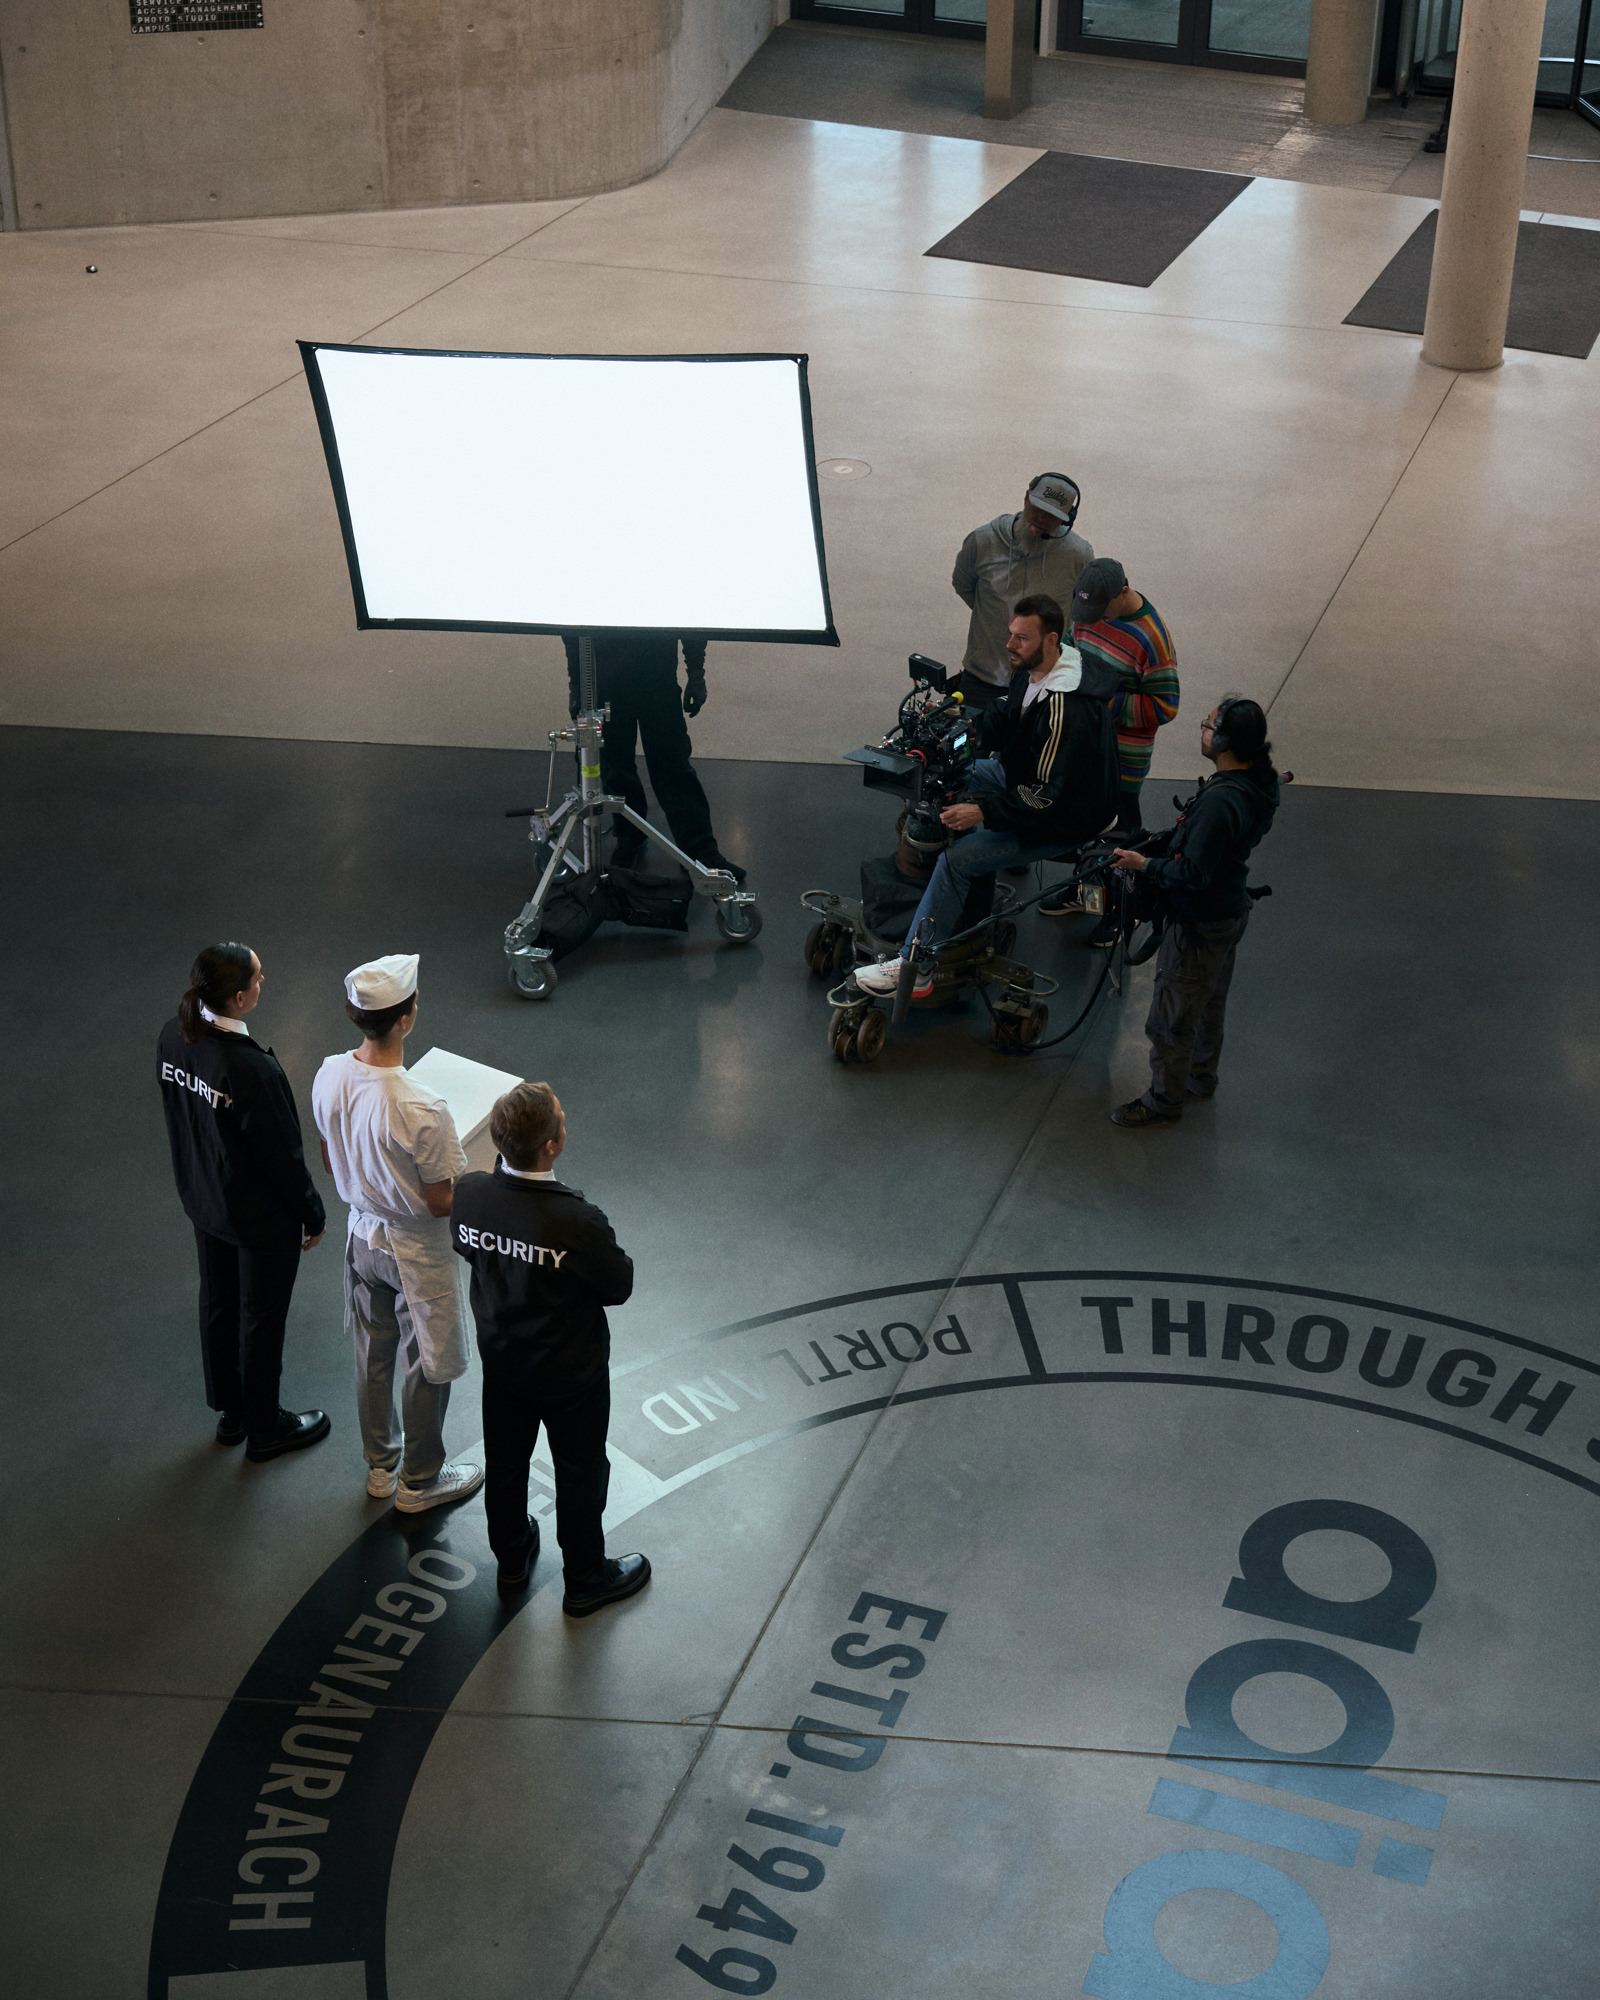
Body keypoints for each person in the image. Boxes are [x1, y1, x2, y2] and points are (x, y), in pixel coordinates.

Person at [854, 594, 1119, 1000]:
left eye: (1022, 639)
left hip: (1063, 818)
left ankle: (915, 967)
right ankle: (941, 907)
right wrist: (959, 737)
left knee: (956, 861)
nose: (1011, 645)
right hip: (1025, 783)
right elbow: (1006, 715)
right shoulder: (1035, 671)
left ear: (1050, 640)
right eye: (1010, 635)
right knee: (952, 776)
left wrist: (982, 809)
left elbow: (1046, 796)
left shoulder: (1066, 707)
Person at [452, 1082, 649, 1617]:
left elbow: (469, 1249)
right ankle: (585, 1578)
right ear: (552, 1146)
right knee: (580, 1471)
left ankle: (512, 1557)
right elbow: (618, 1286)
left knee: (507, 1462)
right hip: (570, 1374)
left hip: (504, 1364)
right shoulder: (576, 1222)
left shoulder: (469, 1194)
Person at [311, 954, 484, 1512]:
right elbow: (440, 1203)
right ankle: (421, 1481)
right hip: (415, 1251)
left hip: (361, 1239)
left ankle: (380, 1468)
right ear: (406, 1018)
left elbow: (331, 1159)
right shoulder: (421, 1107)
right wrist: (481, 1180)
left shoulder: (329, 1074)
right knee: (428, 1363)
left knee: (372, 1355)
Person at [157, 942, 330, 1462]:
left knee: (218, 1302)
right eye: (258, 976)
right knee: (260, 1317)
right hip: (257, 1219)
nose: (263, 980)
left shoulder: (174, 1036)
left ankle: (231, 1411)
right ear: (238, 996)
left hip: (204, 1200)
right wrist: (311, 1213)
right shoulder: (251, 1070)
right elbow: (282, 1157)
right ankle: (265, 1428)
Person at [1107, 698, 1281, 1127]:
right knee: (1208, 1005)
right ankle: (1201, 1078)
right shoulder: (1260, 783)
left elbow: (1192, 874)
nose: (1201, 730)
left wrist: (1142, 864)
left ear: (1224, 740)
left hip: (1199, 923)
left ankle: (1163, 1100)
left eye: (1207, 725)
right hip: (1229, 912)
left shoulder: (1222, 802)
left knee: (1172, 1017)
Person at [1042, 556, 1180, 933]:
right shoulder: (1088, 615)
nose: (1091, 619)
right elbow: (1071, 651)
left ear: (1122, 592)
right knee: (1087, 827)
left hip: (1122, 761)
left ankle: (1119, 913)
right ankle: (1084, 892)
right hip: (1085, 748)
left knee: (1119, 838)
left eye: (1099, 610)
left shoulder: (1151, 637)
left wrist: (1105, 701)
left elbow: (1165, 706)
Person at [561, 632, 745, 881]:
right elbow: (573, 631)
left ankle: (701, 851)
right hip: (605, 684)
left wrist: (696, 673)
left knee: (673, 766)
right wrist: (578, 687)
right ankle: (629, 838)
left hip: (657, 681)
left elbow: (689, 622)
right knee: (615, 767)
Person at [950, 473, 1094, 705]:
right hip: (983, 678)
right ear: (1026, 498)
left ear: (1067, 518)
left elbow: (1083, 604)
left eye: (1052, 515)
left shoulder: (1080, 555)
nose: (1041, 517)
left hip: (1044, 683)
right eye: (1037, 507)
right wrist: (994, 616)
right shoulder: (982, 541)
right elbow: (963, 584)